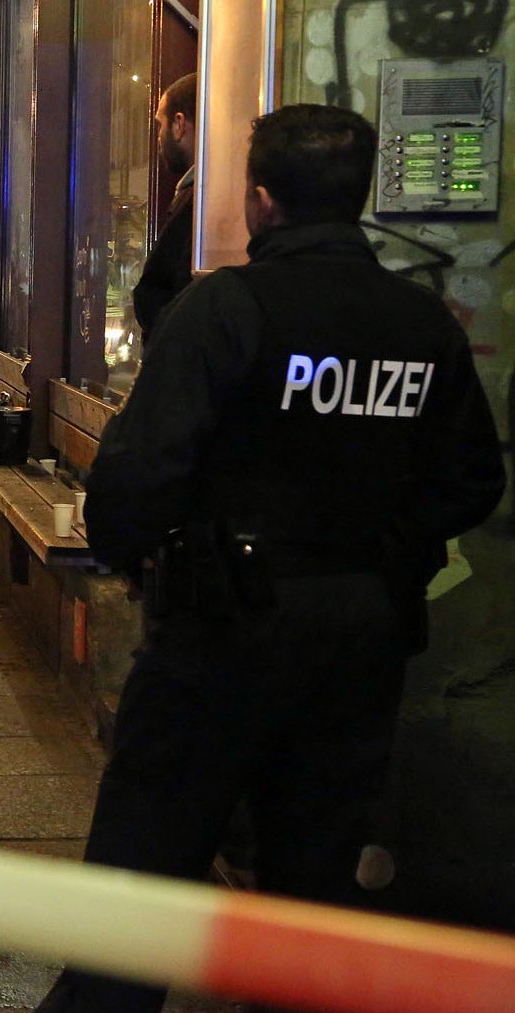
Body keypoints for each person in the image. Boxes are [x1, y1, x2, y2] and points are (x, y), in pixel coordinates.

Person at [35, 104, 506, 1013]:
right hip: (359, 636)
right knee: (313, 879)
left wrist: (137, 560)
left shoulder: (227, 309)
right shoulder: (421, 325)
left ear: (260, 201)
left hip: (220, 630)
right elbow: (472, 479)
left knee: (141, 866)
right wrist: (386, 550)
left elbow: (137, 476)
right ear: (358, 197)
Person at [133, 73, 197, 344]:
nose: (158, 137)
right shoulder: (194, 196)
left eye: (160, 124)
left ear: (179, 124)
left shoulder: (197, 203)